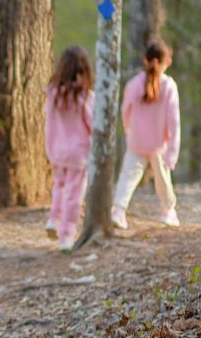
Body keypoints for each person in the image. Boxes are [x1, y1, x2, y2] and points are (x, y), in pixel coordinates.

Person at [111, 41, 181, 230]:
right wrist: (172, 152)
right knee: (163, 180)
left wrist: (129, 132)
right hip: (159, 144)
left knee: (128, 176)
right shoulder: (169, 86)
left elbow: (125, 111)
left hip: (137, 141)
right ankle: (168, 212)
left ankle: (118, 211)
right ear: (167, 62)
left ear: (145, 60)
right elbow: (174, 122)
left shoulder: (134, 84)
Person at [44, 46, 95, 252]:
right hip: (78, 154)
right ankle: (66, 235)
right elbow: (92, 125)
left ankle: (54, 219)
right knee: (74, 195)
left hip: (56, 150)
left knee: (59, 186)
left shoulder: (54, 94)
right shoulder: (85, 97)